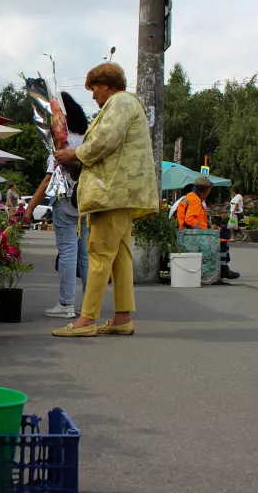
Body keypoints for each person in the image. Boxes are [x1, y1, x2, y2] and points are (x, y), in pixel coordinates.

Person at [51, 63, 157, 337]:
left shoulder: (119, 102)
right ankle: (122, 316)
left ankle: (86, 320)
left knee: (98, 252)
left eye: (94, 88)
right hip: (122, 192)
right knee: (120, 255)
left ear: (106, 85)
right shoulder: (127, 103)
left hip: (113, 191)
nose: (93, 95)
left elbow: (103, 141)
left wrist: (72, 155)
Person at [24, 91, 90, 319]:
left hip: (65, 199)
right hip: (86, 199)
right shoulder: (86, 135)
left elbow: (47, 179)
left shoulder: (61, 140)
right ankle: (90, 304)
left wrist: (30, 208)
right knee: (85, 254)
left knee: (68, 253)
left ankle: (66, 303)